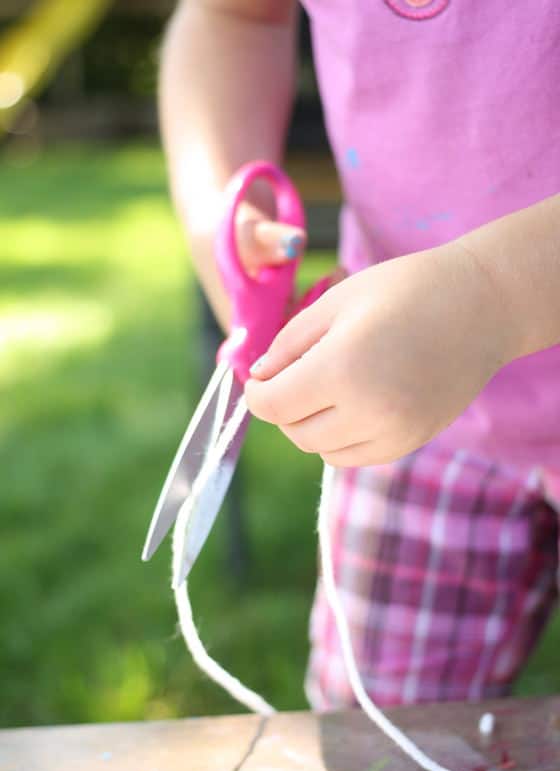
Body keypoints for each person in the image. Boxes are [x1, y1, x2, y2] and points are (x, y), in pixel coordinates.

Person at [159, 0, 560, 710]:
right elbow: (234, 19)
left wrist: (489, 295)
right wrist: (219, 216)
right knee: (378, 757)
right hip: (410, 408)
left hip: (428, 356)